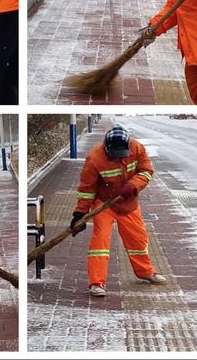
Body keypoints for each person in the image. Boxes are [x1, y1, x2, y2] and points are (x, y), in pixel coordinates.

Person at [70, 125, 166, 297]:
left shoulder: (137, 148)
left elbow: (146, 171)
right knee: (100, 242)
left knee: (138, 239)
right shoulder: (94, 159)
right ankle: (96, 283)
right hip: (104, 204)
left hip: (128, 204)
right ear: (107, 149)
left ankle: (145, 272)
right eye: (114, 155)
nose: (118, 158)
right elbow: (86, 189)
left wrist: (133, 185)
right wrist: (80, 214)